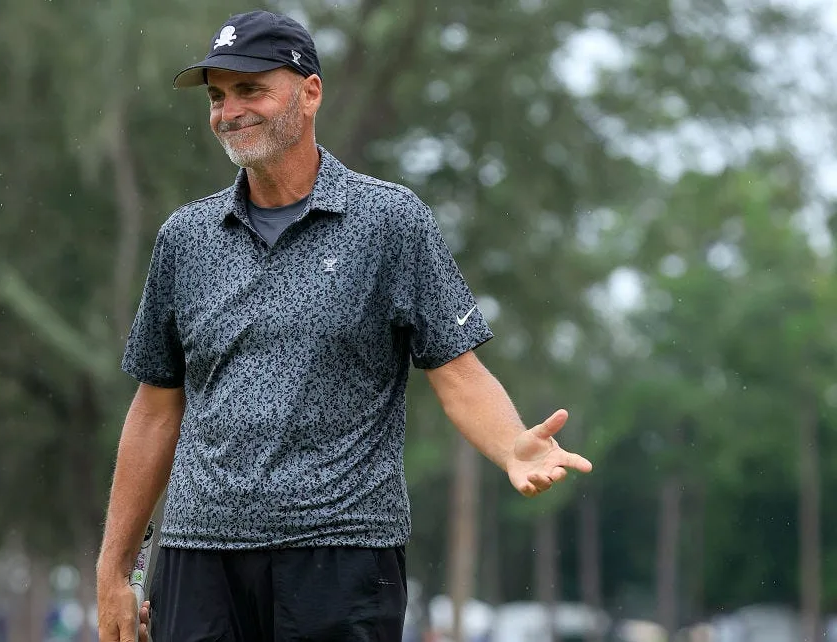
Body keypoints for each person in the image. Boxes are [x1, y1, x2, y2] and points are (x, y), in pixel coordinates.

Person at [95, 9, 593, 642]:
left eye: (250, 89)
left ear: (311, 92)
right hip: (199, 557)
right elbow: (155, 410)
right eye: (218, 96)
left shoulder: (389, 222)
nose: (229, 110)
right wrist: (117, 570)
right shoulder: (184, 238)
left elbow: (457, 371)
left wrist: (510, 447)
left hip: (341, 555)